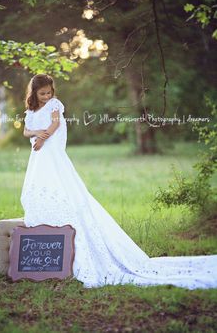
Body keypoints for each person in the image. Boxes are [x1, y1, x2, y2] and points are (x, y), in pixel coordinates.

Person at [20, 73, 217, 290]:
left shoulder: (55, 105)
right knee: (41, 189)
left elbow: (56, 125)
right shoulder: (31, 110)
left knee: (66, 190)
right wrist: (35, 133)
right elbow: (25, 130)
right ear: (34, 93)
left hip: (50, 150)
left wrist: (42, 137)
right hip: (39, 155)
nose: (47, 96)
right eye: (42, 94)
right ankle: (46, 228)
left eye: (49, 92)